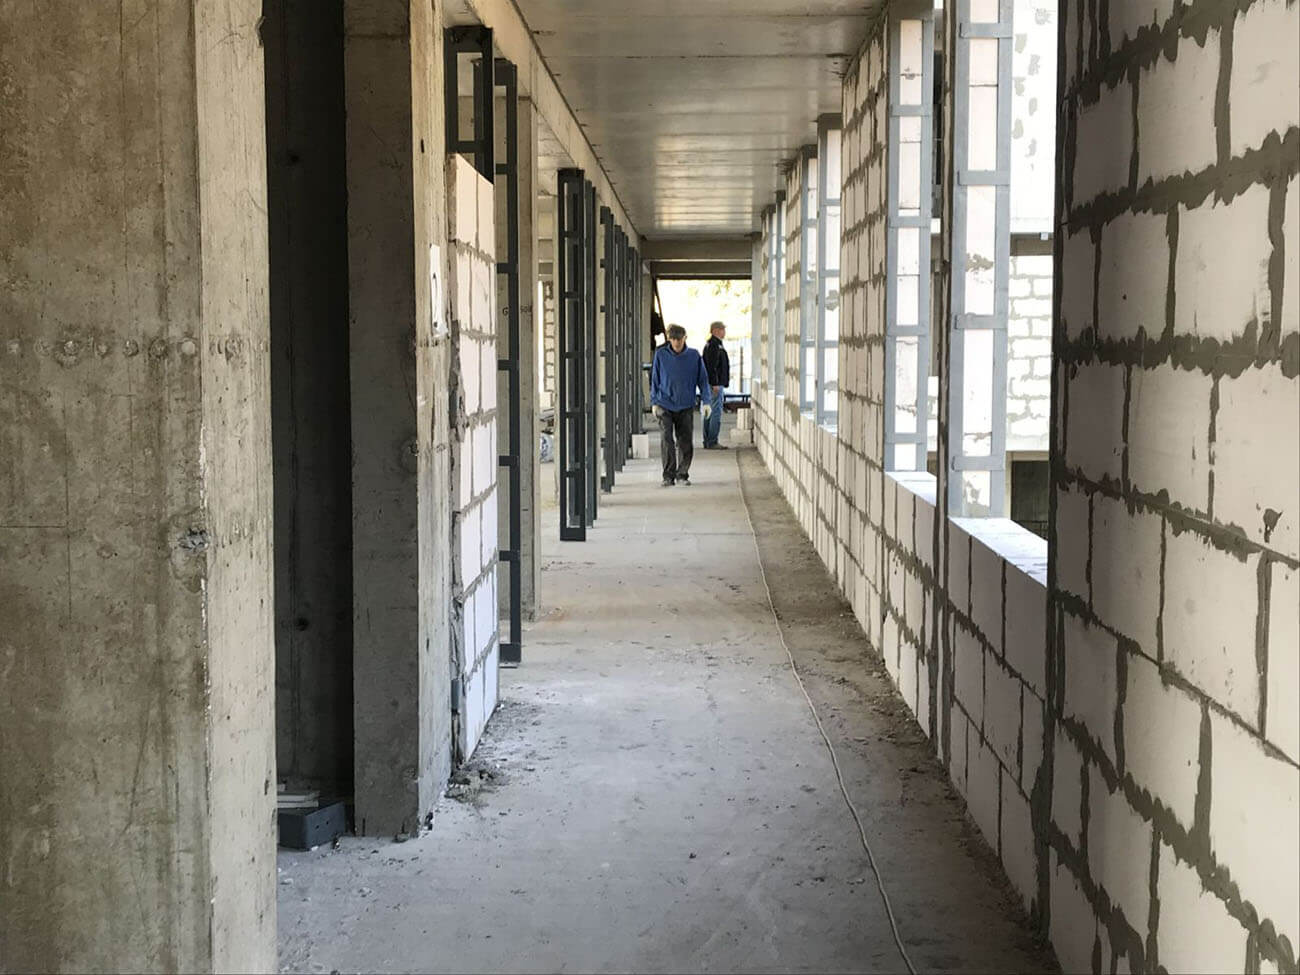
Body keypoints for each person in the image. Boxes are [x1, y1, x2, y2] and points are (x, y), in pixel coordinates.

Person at [650, 324, 712, 487]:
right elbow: (655, 379)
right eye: (673, 339)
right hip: (664, 403)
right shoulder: (661, 355)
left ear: (685, 338)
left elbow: (703, 380)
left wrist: (706, 401)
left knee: (685, 440)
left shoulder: (694, 356)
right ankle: (668, 475)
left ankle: (682, 474)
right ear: (669, 339)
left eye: (679, 339)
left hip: (685, 404)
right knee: (666, 439)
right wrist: (654, 401)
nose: (677, 343)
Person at [701, 320, 730, 449]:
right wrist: (715, 383)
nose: (724, 332)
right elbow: (711, 366)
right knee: (715, 412)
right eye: (722, 329)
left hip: (712, 384)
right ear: (715, 331)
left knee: (708, 411)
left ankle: (707, 440)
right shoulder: (714, 345)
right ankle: (712, 440)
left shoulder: (712, 344)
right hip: (715, 385)